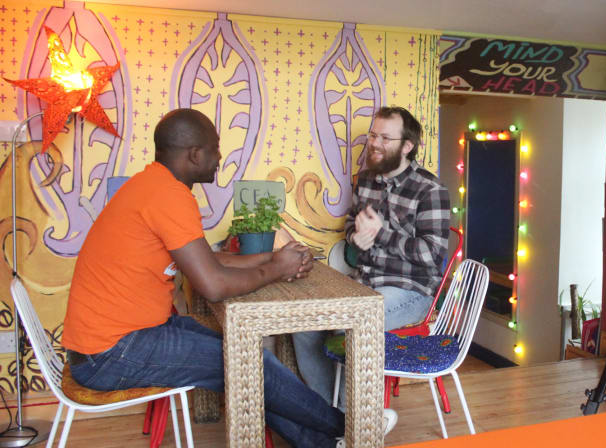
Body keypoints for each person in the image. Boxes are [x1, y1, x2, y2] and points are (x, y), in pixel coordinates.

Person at [62, 108, 395, 448]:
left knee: (247, 356)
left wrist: (271, 257)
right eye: (215, 148)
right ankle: (353, 428)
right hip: (110, 352)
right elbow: (214, 285)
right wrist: (277, 269)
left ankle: (327, 443)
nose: (220, 157)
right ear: (195, 154)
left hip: (120, 339)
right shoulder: (168, 196)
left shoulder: (152, 185)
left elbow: (207, 260)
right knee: (247, 365)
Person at [292, 106, 450, 405]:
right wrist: (356, 237)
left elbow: (431, 255)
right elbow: (352, 224)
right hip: (363, 283)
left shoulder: (430, 189)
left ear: (407, 146)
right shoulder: (365, 180)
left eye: (385, 138)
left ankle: (357, 420)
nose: (374, 143)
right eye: (373, 135)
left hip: (411, 291)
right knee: (304, 326)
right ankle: (332, 415)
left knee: (345, 327)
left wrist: (382, 235)